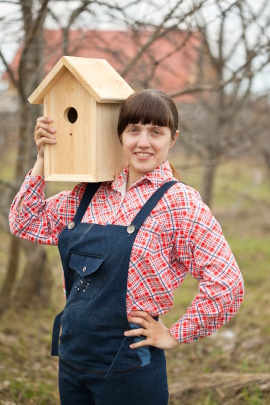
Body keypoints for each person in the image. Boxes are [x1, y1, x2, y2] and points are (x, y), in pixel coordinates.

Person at [9, 89, 244, 405]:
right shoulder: (88, 195)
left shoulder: (180, 204)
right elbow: (24, 221)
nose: (143, 142)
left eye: (155, 132)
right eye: (134, 130)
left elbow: (227, 283)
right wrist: (42, 158)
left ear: (172, 138)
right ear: (120, 135)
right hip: (73, 362)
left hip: (129, 371)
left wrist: (176, 334)